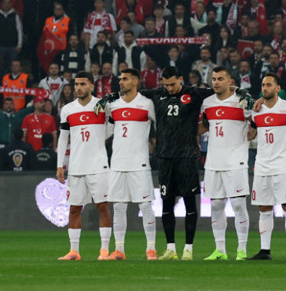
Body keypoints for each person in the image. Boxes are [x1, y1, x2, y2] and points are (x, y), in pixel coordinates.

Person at [99, 66, 214, 260]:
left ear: (181, 78)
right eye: (166, 84)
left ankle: (188, 249)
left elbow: (219, 91)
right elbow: (132, 93)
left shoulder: (194, 93)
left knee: (188, 203)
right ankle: (170, 248)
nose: (169, 88)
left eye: (172, 84)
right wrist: (111, 96)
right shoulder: (155, 96)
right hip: (165, 157)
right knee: (166, 204)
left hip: (186, 156)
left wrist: (239, 93)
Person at [247, 74, 286, 261]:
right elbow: (250, 134)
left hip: (283, 164)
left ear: (277, 87)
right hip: (262, 165)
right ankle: (265, 250)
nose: (265, 88)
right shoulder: (256, 111)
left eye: (269, 85)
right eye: (263, 85)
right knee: (264, 208)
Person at [200, 67, 255, 261]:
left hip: (236, 160)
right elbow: (205, 126)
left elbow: (254, 125)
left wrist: (252, 132)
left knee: (239, 204)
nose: (216, 82)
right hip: (214, 162)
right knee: (216, 205)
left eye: (220, 79)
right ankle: (220, 250)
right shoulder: (207, 103)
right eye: (213, 79)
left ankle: (241, 250)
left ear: (230, 80)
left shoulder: (242, 101)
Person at [56, 72, 112, 261]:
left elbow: (111, 127)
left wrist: (98, 136)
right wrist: (60, 165)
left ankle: (104, 250)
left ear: (91, 86)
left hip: (98, 165)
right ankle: (74, 251)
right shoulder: (67, 109)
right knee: (74, 209)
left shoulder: (102, 106)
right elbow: (63, 138)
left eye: (82, 84)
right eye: (76, 84)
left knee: (103, 207)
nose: (78, 87)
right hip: (76, 166)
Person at [104, 69, 157, 260]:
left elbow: (161, 127)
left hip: (139, 163)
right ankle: (119, 249)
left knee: (145, 205)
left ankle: (151, 248)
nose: (121, 82)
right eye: (120, 79)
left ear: (135, 82)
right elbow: (107, 132)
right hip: (117, 163)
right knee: (118, 207)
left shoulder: (147, 104)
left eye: (125, 79)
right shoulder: (113, 105)